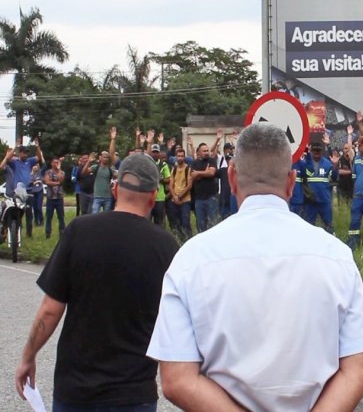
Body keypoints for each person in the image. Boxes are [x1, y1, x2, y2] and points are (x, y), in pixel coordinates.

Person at [147, 123, 363, 411]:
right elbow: (360, 369)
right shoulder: (336, 256)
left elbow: (178, 380)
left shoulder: (191, 259)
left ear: (231, 177)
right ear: (291, 181)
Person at [15, 153, 179, 411]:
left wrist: (28, 356)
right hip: (134, 392)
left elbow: (50, 309)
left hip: (77, 391)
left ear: (115, 189)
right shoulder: (167, 246)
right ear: (153, 195)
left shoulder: (79, 231)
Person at [190, 142, 218, 233]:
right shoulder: (194, 163)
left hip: (211, 197)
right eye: (204, 151)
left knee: (212, 224)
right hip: (199, 199)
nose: (207, 152)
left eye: (207, 150)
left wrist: (198, 173)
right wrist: (204, 173)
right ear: (199, 153)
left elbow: (211, 173)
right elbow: (193, 177)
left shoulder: (212, 160)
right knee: (201, 225)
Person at [43, 157, 66, 239]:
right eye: (55, 162)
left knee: (61, 217)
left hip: (59, 198)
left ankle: (62, 233)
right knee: (49, 217)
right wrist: (57, 183)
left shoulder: (62, 172)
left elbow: (61, 180)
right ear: (51, 163)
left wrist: (59, 169)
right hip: (50, 198)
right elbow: (47, 182)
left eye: (57, 162)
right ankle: (47, 233)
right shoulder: (48, 172)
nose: (56, 164)